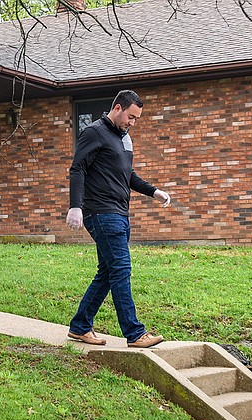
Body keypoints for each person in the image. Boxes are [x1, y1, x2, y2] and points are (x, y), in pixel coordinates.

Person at [66, 89, 171, 348]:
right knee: (121, 269)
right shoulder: (94, 132)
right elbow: (77, 168)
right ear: (117, 108)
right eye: (130, 117)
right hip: (101, 212)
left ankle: (80, 326)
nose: (132, 123)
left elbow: (128, 175)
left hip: (119, 213)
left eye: (136, 119)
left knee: (107, 273)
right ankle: (135, 333)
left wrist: (153, 191)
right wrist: (75, 207)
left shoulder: (123, 139)